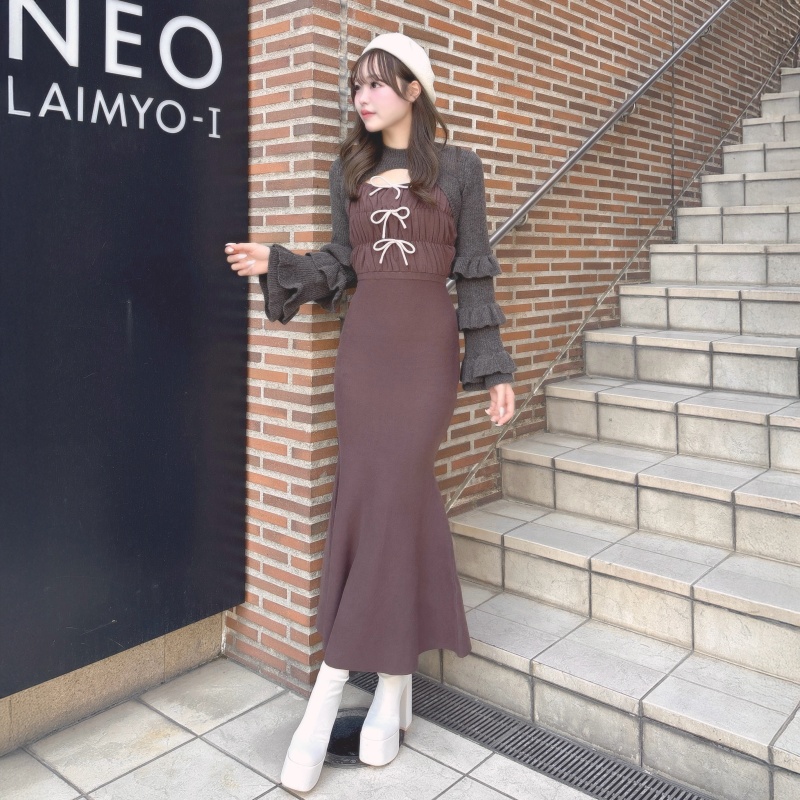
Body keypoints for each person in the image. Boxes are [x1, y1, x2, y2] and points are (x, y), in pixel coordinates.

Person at [225, 32, 516, 792]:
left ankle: (325, 698)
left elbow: (475, 275)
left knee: (387, 501)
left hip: (425, 358)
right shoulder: (348, 172)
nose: (363, 97)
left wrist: (492, 369)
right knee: (381, 504)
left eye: (378, 83)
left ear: (414, 90)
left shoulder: (460, 169)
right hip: (364, 359)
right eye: (357, 85)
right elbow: (341, 265)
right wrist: (280, 263)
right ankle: (392, 693)